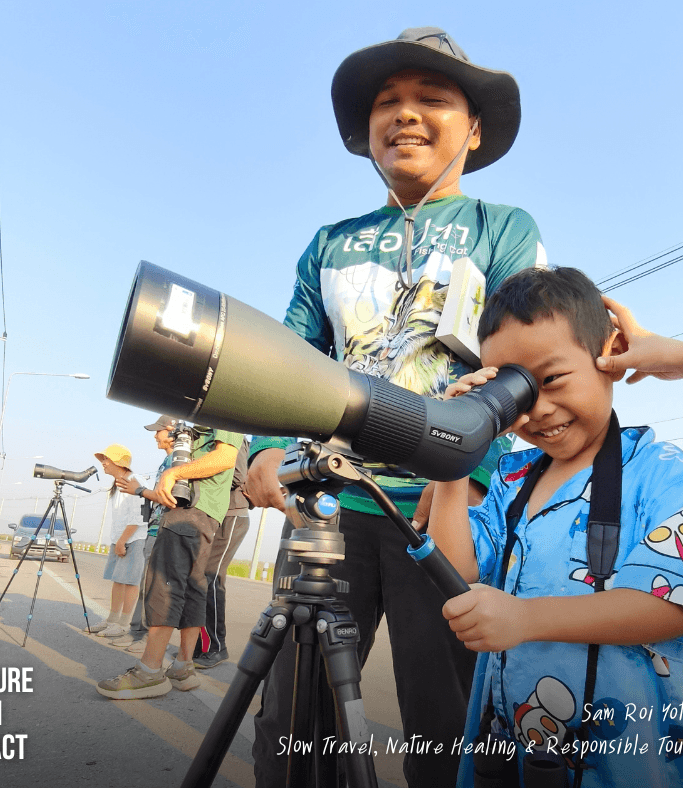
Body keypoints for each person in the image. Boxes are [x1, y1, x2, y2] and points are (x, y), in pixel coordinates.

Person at [245, 27, 545, 788]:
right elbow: (289, 357)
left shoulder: (503, 228)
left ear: (472, 130)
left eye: (431, 99)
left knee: (446, 719)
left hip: (446, 510)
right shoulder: (330, 243)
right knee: (291, 720)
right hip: (328, 506)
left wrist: (469, 479)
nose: (405, 114)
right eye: (388, 103)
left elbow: (529, 359)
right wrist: (261, 448)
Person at [428, 267, 683, 787]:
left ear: (609, 355)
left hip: (627, 760)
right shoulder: (512, 477)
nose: (537, 410)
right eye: (515, 392)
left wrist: (525, 619)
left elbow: (673, 607)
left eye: (554, 378)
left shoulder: (659, 472)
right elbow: (460, 567)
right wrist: (454, 451)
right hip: (509, 749)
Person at [96, 423, 243, 700]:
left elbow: (224, 458)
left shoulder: (223, 414)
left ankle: (149, 672)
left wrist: (172, 473)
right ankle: (182, 668)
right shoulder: (213, 421)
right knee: (192, 589)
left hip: (189, 511)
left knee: (164, 585)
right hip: (203, 514)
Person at [111, 415, 176, 653]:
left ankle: (148, 638)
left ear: (171, 431)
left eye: (158, 431)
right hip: (153, 529)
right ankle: (136, 632)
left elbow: (168, 498)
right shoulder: (165, 461)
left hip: (165, 530)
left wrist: (139, 491)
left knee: (155, 588)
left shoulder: (178, 462)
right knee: (144, 585)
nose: (155, 436)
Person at [193, 437, 251, 669]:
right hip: (217, 514)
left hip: (233, 515)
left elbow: (238, 476)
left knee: (211, 577)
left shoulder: (231, 434)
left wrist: (199, 472)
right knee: (199, 579)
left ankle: (216, 647)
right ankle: (202, 644)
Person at [88, 444, 150, 639]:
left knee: (130, 582)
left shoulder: (135, 481)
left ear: (118, 462)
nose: (103, 464)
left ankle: (123, 624)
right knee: (118, 580)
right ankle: (112, 620)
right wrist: (117, 541)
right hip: (120, 539)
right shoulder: (117, 484)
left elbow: (140, 517)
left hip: (133, 539)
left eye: (106, 459)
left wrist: (123, 541)